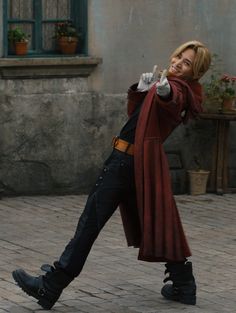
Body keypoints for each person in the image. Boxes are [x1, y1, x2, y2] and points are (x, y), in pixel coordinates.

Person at [12, 40, 211, 310]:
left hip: (124, 164)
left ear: (194, 72)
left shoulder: (177, 88)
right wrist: (144, 90)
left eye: (187, 63)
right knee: (160, 222)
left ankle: (51, 285)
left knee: (88, 224)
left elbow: (173, 101)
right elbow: (139, 116)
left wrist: (163, 93)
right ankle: (184, 285)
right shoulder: (172, 83)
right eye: (179, 56)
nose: (178, 63)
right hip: (137, 166)